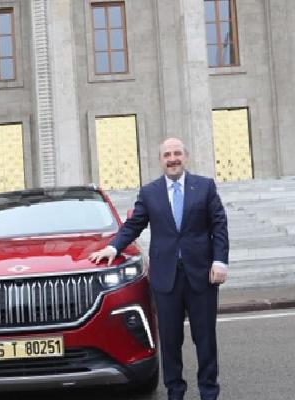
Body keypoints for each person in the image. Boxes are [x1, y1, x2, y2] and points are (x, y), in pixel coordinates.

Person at [89, 138, 228, 400]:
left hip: (201, 276)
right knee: (170, 342)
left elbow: (219, 225)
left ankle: (209, 392)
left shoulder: (205, 187)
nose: (172, 159)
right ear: (161, 160)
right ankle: (175, 392)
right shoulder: (149, 192)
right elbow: (134, 225)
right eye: (167, 155)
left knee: (205, 340)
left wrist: (220, 261)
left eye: (177, 153)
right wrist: (113, 248)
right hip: (166, 280)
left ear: (185, 157)